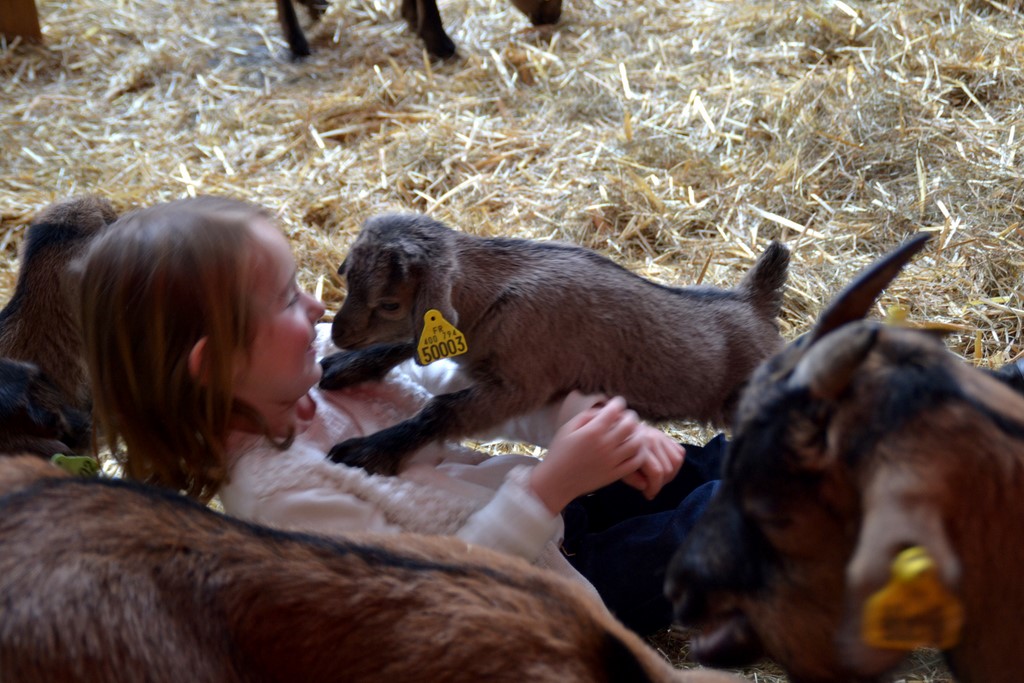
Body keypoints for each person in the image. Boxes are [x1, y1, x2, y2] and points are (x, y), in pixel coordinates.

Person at [78, 196, 722, 634]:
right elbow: (434, 592)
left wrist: (580, 421)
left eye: (305, 279)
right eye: (283, 296)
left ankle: (775, 444)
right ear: (215, 363)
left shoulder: (323, 362)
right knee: (714, 525)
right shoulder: (285, 498)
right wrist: (551, 483)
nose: (315, 303)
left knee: (697, 467)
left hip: (542, 510)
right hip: (539, 593)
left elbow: (464, 386)